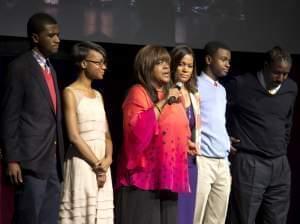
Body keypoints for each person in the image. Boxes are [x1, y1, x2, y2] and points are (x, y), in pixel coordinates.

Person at [116, 45, 194, 224]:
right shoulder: (138, 92)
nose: (167, 66)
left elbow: (175, 126)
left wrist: (185, 142)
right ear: (147, 66)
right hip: (142, 179)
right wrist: (165, 101)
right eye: (160, 63)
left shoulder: (171, 93)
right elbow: (137, 132)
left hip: (167, 175)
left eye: (167, 62)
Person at [0, 13, 64, 224]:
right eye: (51, 35)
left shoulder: (50, 68)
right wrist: (12, 158)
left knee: (48, 218)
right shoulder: (20, 67)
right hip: (29, 160)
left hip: (51, 160)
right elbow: (10, 115)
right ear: (36, 38)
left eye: (58, 35)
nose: (57, 39)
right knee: (28, 217)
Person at [226, 46, 298, 224]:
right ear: (265, 66)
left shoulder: (290, 88)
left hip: (280, 163)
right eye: (276, 72)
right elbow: (214, 109)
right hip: (250, 161)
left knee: (277, 219)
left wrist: (282, 145)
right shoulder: (241, 85)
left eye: (285, 74)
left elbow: (287, 120)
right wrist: (224, 137)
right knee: (244, 218)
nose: (281, 78)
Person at [59, 41, 114, 223]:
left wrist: (108, 160)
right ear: (83, 63)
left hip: (102, 163)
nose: (103, 66)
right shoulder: (70, 92)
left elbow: (106, 135)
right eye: (98, 62)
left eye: (104, 62)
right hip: (83, 162)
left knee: (101, 215)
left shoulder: (98, 95)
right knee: (81, 215)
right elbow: (74, 135)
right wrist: (97, 165)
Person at [193, 41, 232, 224]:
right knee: (196, 216)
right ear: (209, 59)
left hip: (222, 162)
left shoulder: (222, 90)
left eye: (229, 61)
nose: (227, 64)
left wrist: (225, 141)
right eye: (223, 59)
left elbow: (216, 121)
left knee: (216, 219)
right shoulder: (195, 85)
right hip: (203, 160)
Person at [170, 45, 201, 224]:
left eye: (189, 66)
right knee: (175, 214)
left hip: (191, 162)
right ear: (173, 65)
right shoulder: (168, 92)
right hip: (173, 160)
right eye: (181, 64)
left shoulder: (194, 94)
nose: (185, 69)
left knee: (188, 214)